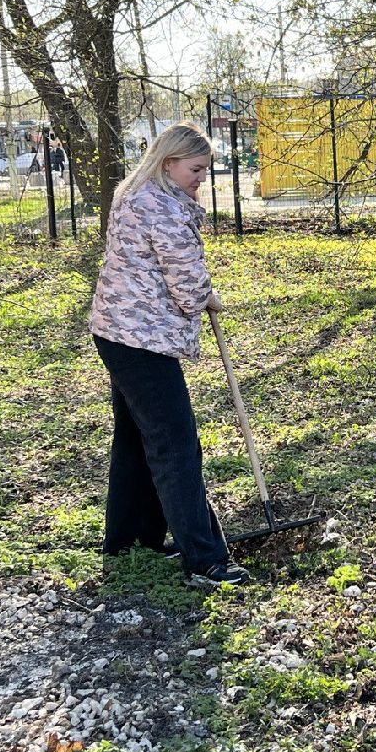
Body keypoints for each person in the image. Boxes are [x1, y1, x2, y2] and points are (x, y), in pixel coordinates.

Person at [89, 121, 247, 586]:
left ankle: (130, 540)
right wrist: (206, 296)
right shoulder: (164, 208)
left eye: (205, 171)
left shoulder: (134, 193)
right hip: (141, 338)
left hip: (117, 330)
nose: (201, 178)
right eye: (196, 169)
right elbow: (185, 280)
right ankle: (206, 560)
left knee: (138, 438)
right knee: (176, 444)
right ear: (169, 162)